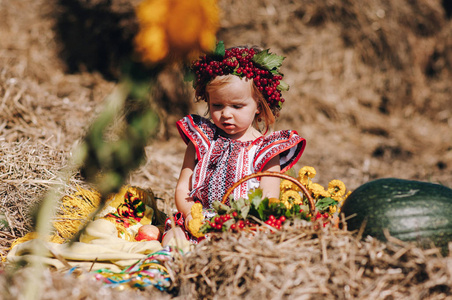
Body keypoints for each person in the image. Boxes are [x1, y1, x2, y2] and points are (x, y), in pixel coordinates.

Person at [162, 44, 306, 246]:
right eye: (217, 105)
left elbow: (267, 199)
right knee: (173, 239)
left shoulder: (266, 149)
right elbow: (183, 188)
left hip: (242, 226)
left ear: (258, 104)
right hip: (199, 220)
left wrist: (242, 224)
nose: (226, 114)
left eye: (237, 106)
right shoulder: (202, 139)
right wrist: (189, 215)